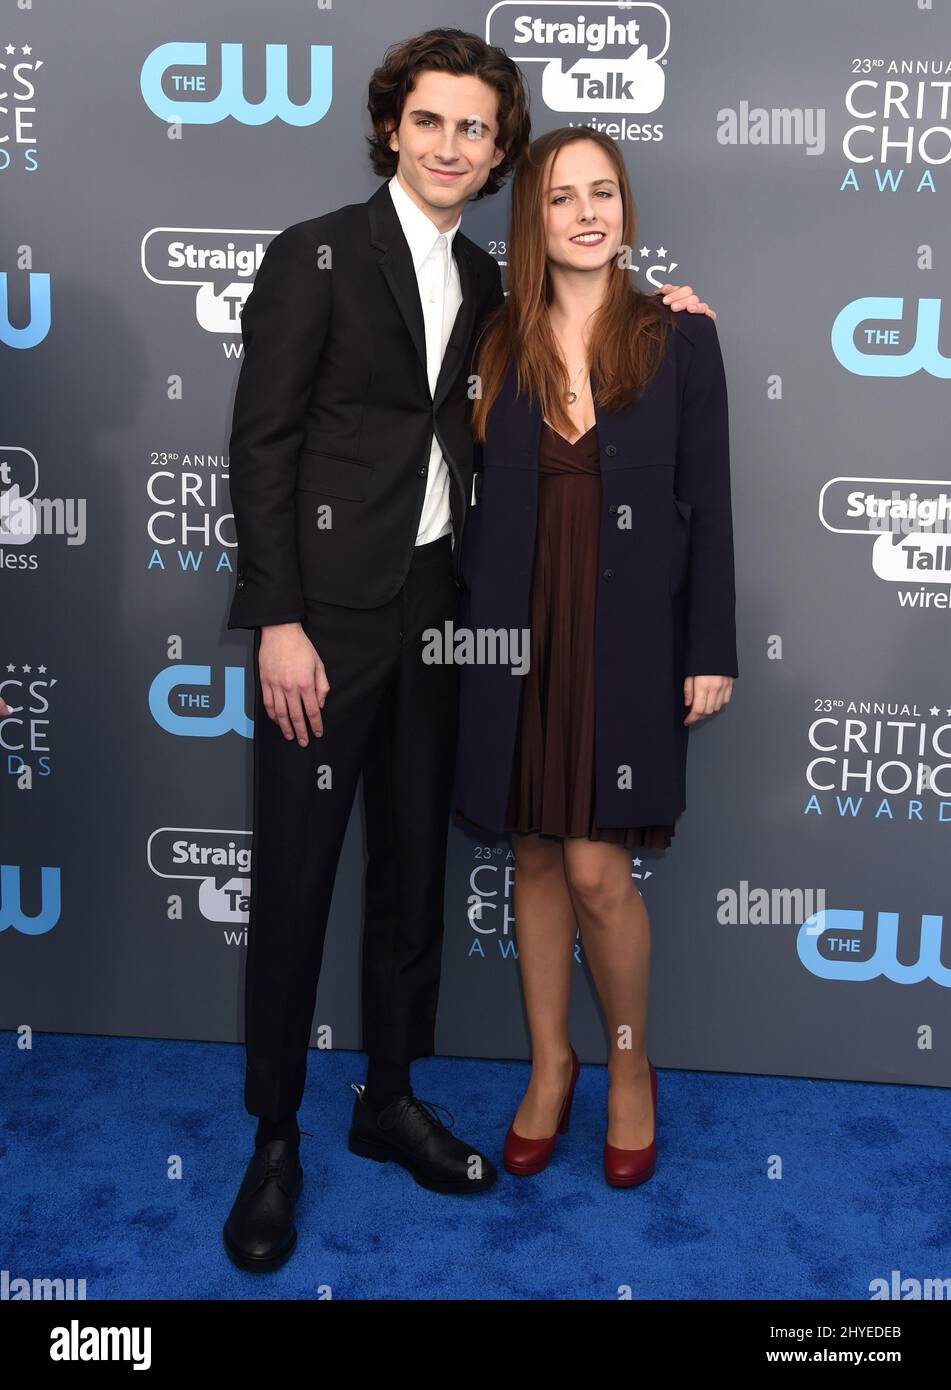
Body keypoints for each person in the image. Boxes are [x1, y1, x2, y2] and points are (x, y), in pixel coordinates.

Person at [223, 28, 715, 1271]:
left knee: (412, 880)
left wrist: (674, 310)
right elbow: (263, 446)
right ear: (394, 126)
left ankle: (388, 1099)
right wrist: (278, 618)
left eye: (476, 129)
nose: (452, 145)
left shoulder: (499, 288)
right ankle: (274, 1139)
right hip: (324, 630)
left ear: (500, 152)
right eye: (431, 121)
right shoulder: (316, 255)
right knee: (293, 880)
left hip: (450, 621)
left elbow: (623, 386)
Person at [453, 126, 738, 1189]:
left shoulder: (681, 339)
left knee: (594, 867)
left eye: (604, 193)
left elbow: (709, 505)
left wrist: (709, 646)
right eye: (563, 196)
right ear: (532, 217)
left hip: (627, 638)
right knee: (530, 850)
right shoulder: (493, 342)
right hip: (511, 637)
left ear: (626, 208)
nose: (586, 212)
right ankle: (549, 1065)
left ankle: (629, 1068)